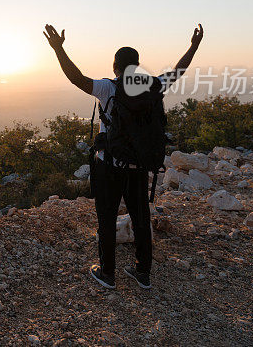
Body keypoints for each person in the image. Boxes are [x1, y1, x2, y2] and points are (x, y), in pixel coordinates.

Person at [43, 23, 203, 290]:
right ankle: (143, 273)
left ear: (115, 66)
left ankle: (107, 273)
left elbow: (77, 78)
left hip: (110, 165)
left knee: (106, 218)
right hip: (139, 164)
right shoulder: (154, 86)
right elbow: (178, 71)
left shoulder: (109, 88)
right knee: (140, 217)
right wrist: (194, 46)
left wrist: (59, 49)